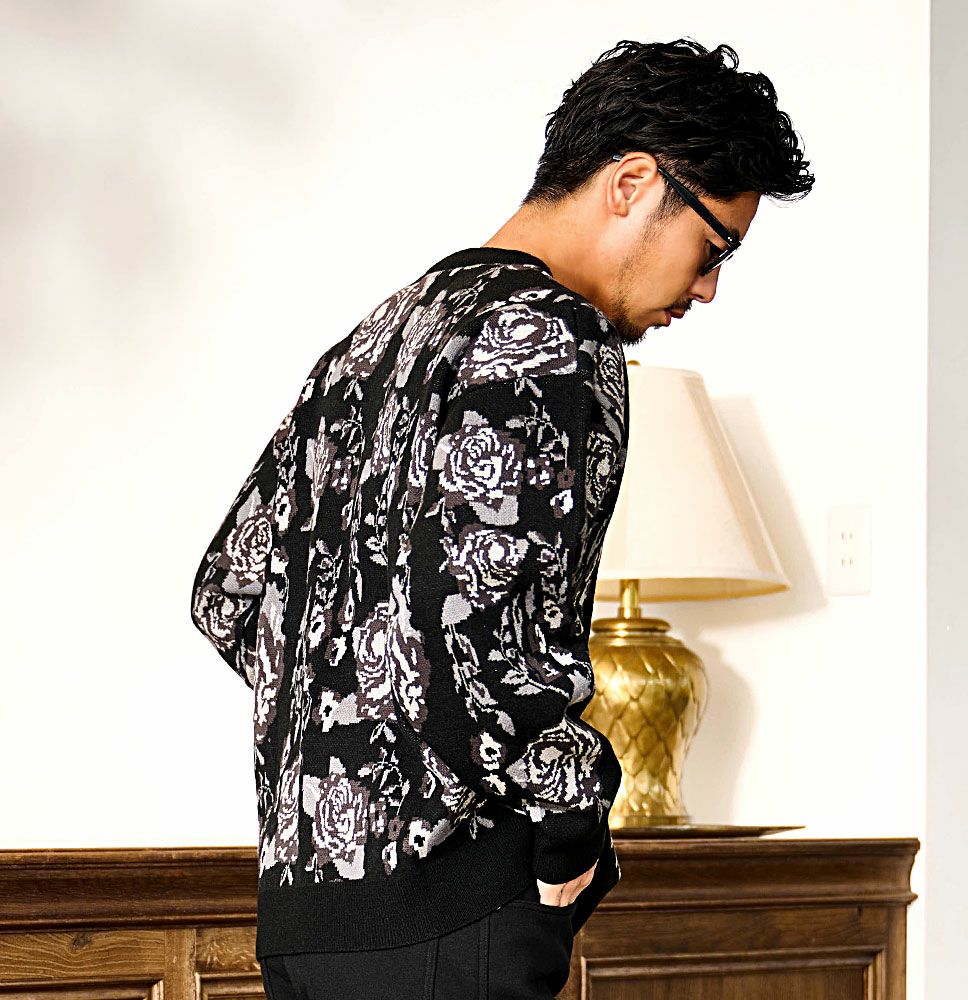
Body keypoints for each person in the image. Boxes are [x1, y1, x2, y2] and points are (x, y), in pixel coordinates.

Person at [189, 36, 814, 1000]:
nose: (707, 288)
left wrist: (359, 728)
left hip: (306, 924)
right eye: (714, 247)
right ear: (633, 183)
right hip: (457, 914)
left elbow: (227, 590)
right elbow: (476, 626)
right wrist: (569, 813)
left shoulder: (381, 336)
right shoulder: (557, 339)